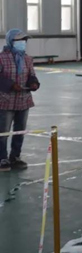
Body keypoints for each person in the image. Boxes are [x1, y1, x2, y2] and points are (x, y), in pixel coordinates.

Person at [0, 29, 40, 172]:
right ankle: (2, 158)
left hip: (24, 100)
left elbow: (31, 75)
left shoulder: (27, 59)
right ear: (11, 41)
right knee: (3, 132)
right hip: (6, 101)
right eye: (19, 40)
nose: (23, 43)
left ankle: (15, 156)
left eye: (24, 40)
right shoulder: (2, 58)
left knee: (20, 131)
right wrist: (11, 85)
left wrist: (34, 83)